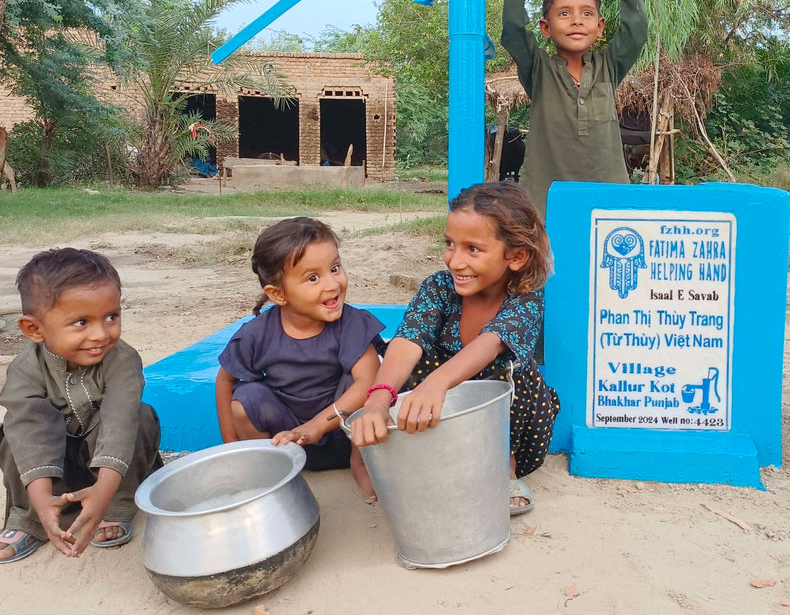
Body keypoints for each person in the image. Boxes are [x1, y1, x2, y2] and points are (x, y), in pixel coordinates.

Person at [349, 183, 558, 515]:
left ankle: (506, 466)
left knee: (518, 372)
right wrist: (378, 399)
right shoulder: (438, 288)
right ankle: (421, 460)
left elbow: (489, 346)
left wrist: (438, 383)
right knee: (405, 357)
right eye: (450, 244)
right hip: (439, 417)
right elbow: (408, 339)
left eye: (473, 249)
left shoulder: (525, 297)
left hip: (507, 426)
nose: (455, 261)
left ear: (515, 256)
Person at [0, 249, 161, 563]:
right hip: (55, 463)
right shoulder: (25, 369)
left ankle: (115, 506)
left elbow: (119, 423)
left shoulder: (122, 359)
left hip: (108, 466)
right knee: (11, 434)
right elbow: (30, 431)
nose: (101, 334)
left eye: (111, 316)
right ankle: (32, 517)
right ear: (34, 329)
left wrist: (103, 495)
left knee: (141, 417)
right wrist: (41, 498)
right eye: (81, 322)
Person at [215, 217, 381, 499]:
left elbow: (369, 382)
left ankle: (362, 465)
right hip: (287, 441)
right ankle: (269, 471)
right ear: (278, 294)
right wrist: (232, 450)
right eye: (313, 278)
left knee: (369, 377)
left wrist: (317, 426)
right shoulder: (257, 334)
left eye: (335, 268)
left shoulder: (353, 324)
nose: (332, 284)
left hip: (347, 436)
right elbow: (224, 382)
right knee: (245, 398)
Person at [501, 0, 648, 220]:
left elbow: (636, 31)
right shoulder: (538, 69)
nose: (577, 20)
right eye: (564, 13)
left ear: (600, 26)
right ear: (546, 27)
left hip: (608, 201)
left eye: (587, 13)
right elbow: (514, 31)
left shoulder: (609, 66)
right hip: (547, 204)